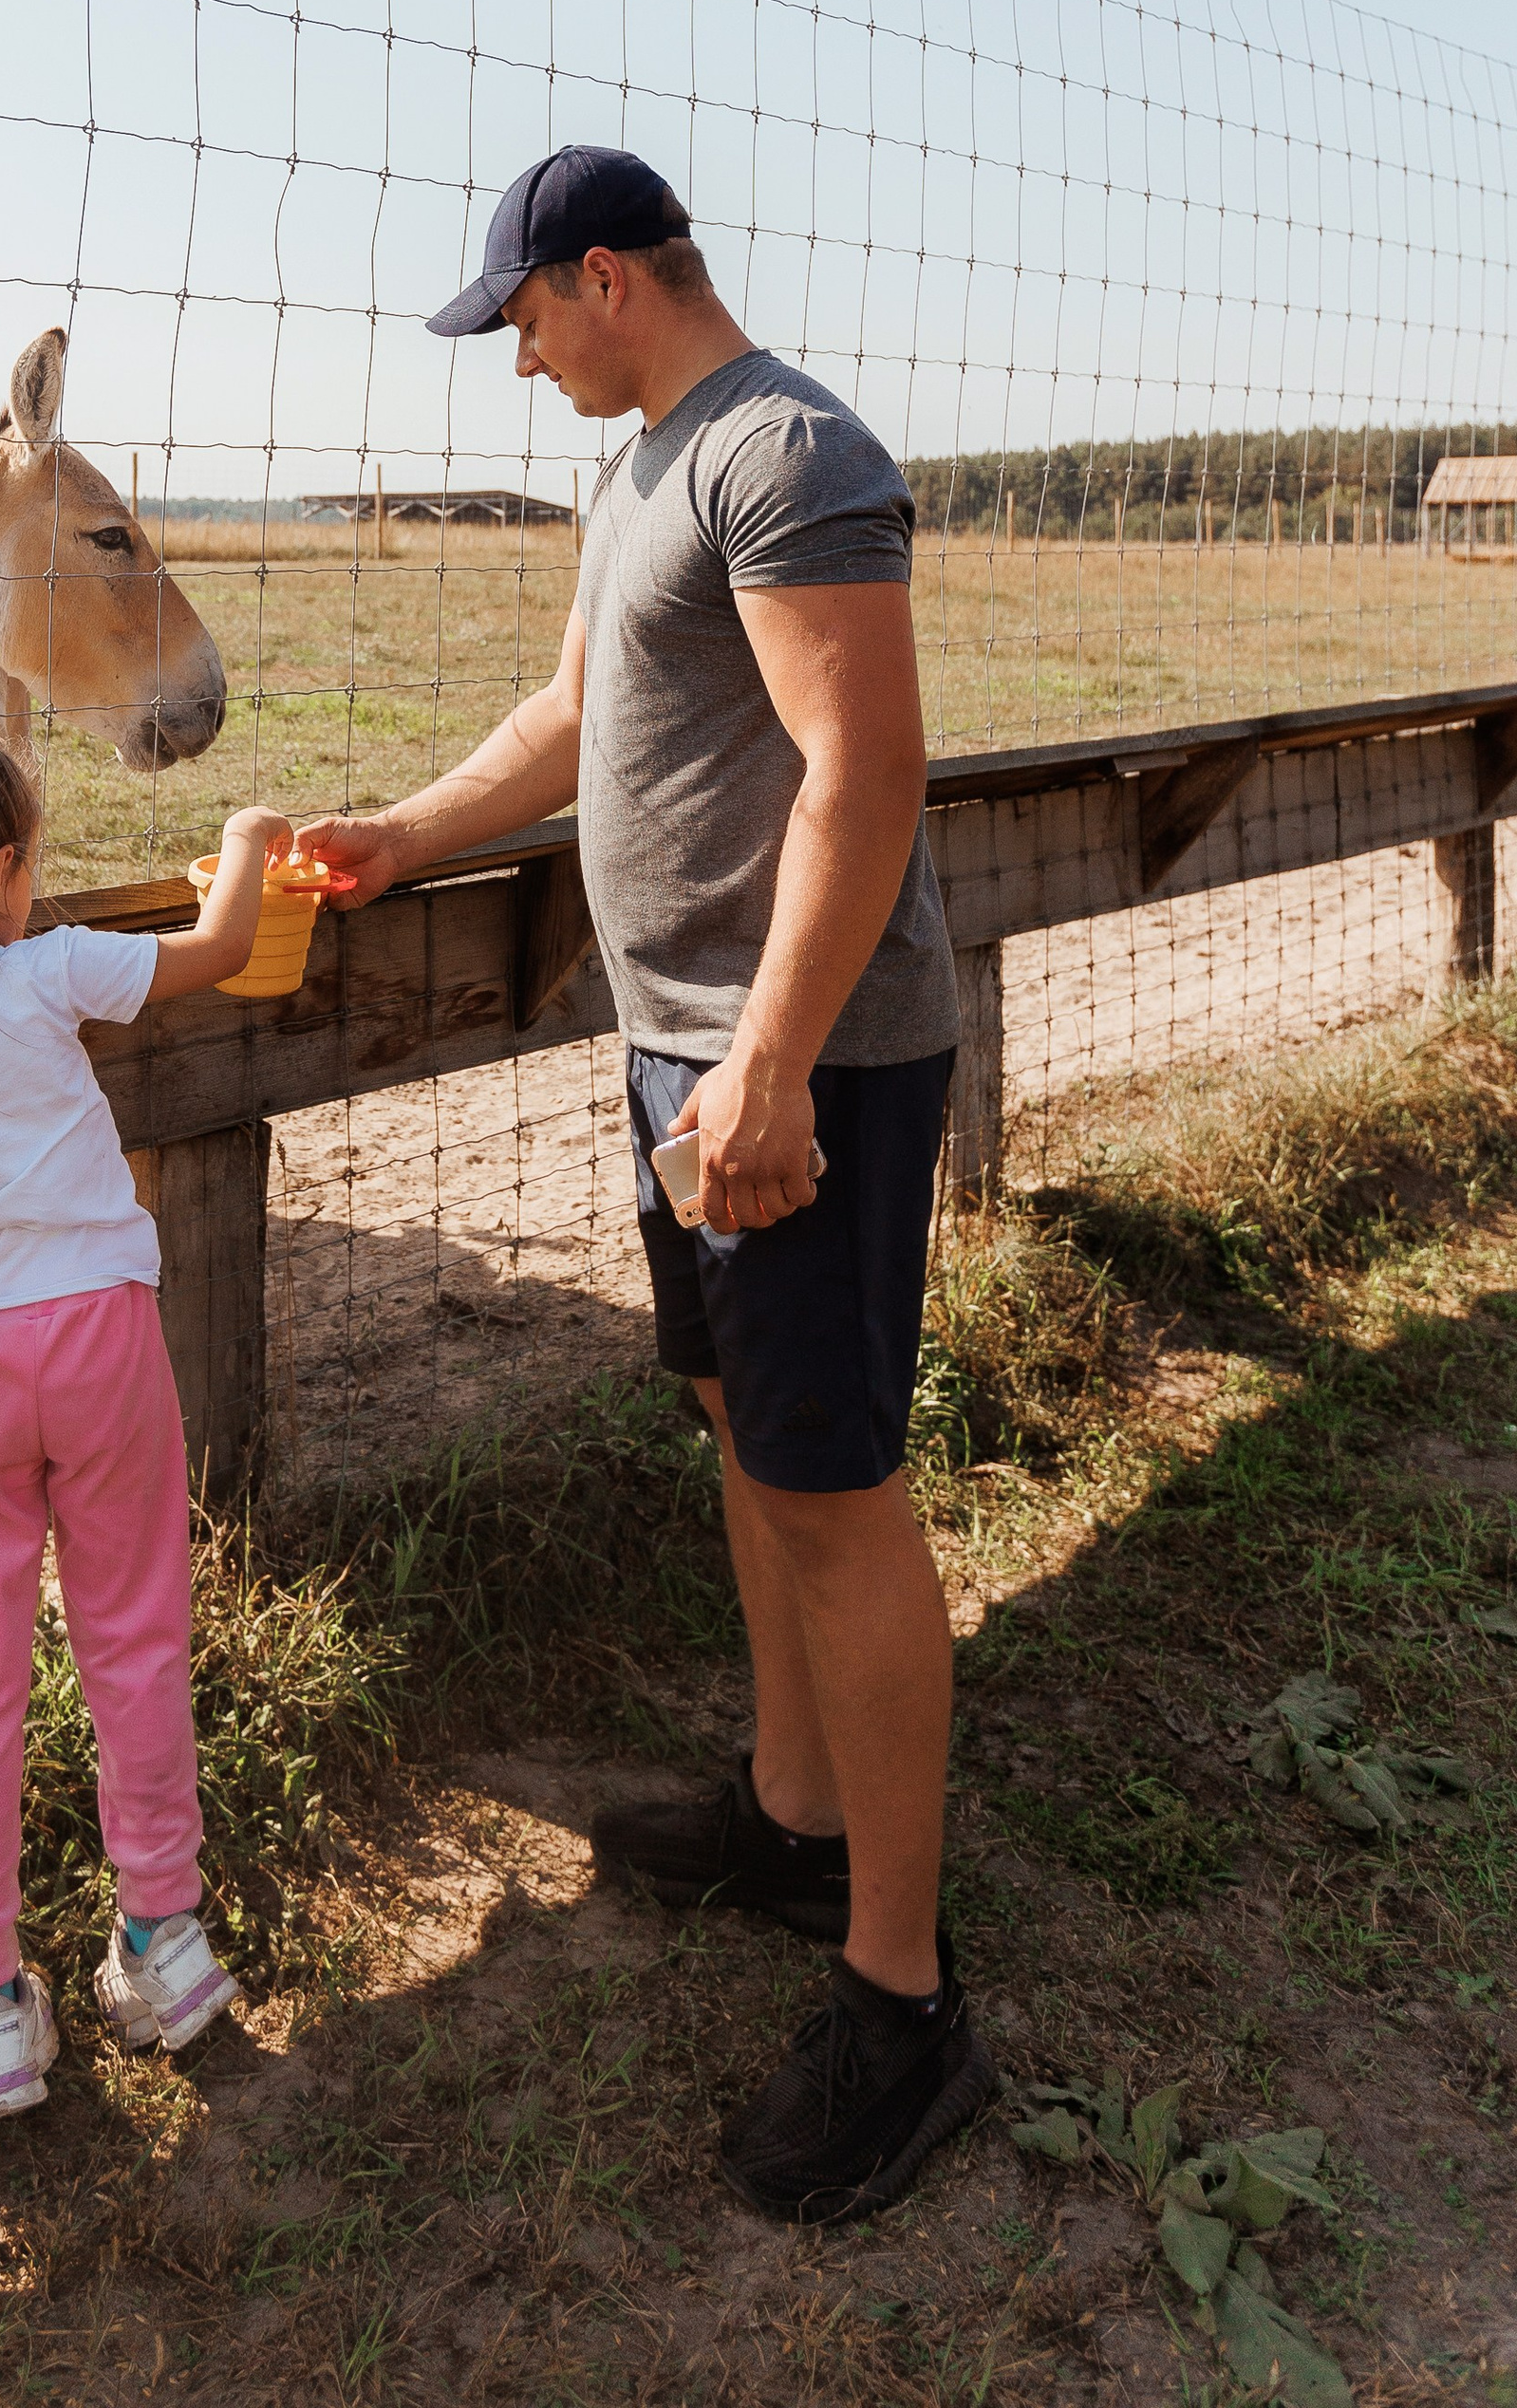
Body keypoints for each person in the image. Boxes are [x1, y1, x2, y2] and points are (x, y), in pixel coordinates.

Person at [297, 144, 994, 2224]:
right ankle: (790, 1816)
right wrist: (407, 832)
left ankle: (902, 1997)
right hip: (687, 1056)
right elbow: (577, 708)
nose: (514, 365)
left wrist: (773, 1059)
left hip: (806, 1069)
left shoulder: (787, 454)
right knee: (739, 1429)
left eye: (518, 321)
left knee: (830, 1482)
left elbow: (865, 771)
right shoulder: (635, 475)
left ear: (604, 277)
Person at [0, 690, 295, 2133]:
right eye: (25, 857)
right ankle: (167, 1942)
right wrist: (249, 838)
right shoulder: (48, 973)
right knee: (134, 1638)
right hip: (101, 1338)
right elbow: (219, 950)